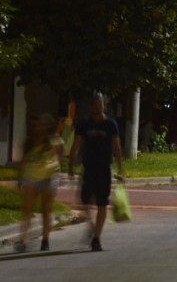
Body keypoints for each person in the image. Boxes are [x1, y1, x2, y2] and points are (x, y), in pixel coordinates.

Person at [69, 92, 124, 252]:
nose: (98, 107)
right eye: (94, 104)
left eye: (100, 104)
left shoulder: (111, 124)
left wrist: (121, 168)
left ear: (104, 105)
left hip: (105, 169)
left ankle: (97, 238)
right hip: (88, 168)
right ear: (91, 106)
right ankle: (92, 226)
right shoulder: (85, 124)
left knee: (102, 203)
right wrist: (71, 166)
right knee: (84, 201)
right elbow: (76, 145)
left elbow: (117, 147)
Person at [15, 113, 63, 252]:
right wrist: (20, 177)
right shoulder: (29, 143)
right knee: (27, 210)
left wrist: (56, 168)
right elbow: (23, 161)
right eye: (35, 125)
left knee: (46, 210)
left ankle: (45, 240)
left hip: (49, 177)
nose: (38, 128)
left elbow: (61, 151)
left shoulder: (52, 140)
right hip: (31, 177)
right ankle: (22, 240)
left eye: (40, 125)